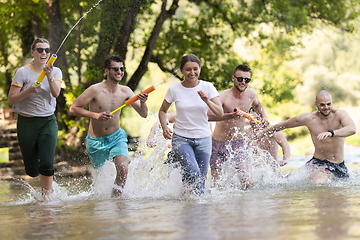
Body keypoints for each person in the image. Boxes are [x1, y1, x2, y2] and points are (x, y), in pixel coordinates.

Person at [68, 55, 149, 196]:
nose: (120, 72)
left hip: (116, 137)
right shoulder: (95, 90)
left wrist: (142, 102)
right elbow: (73, 108)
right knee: (101, 178)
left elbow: (144, 114)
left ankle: (116, 201)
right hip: (95, 141)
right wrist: (95, 115)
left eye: (122, 69)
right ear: (106, 71)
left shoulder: (126, 91)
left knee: (123, 169)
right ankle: (105, 207)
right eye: (116, 69)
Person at [159, 54, 223, 195]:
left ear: (200, 69)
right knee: (193, 173)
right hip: (181, 138)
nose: (192, 73)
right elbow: (162, 111)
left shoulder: (208, 87)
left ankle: (194, 210)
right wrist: (165, 127)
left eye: (195, 69)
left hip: (204, 139)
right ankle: (190, 205)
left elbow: (220, 113)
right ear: (181, 70)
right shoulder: (174, 89)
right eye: (188, 69)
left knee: (200, 179)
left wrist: (207, 100)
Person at [7, 38, 63, 201]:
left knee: (47, 162)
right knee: (32, 170)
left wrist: (50, 75)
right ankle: (43, 187)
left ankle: (46, 199)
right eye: (40, 50)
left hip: (47, 122)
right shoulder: (23, 72)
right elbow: (11, 100)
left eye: (47, 50)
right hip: (26, 123)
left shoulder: (56, 71)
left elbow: (56, 93)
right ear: (33, 52)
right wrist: (29, 90)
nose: (44, 53)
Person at [261, 90, 356, 183]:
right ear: (316, 104)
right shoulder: (309, 118)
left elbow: (352, 129)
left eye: (328, 104)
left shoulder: (340, 114)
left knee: (342, 195)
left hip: (340, 165)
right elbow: (284, 124)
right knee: (320, 183)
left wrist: (331, 133)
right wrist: (262, 133)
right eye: (322, 104)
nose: (326, 107)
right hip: (320, 164)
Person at [207, 64, 269, 189]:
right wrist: (230, 116)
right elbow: (208, 116)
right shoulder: (223, 96)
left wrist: (264, 117)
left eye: (247, 80)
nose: (243, 82)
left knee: (247, 183)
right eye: (240, 79)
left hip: (238, 143)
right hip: (217, 145)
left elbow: (258, 105)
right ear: (233, 78)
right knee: (217, 187)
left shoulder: (251, 94)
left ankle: (244, 208)